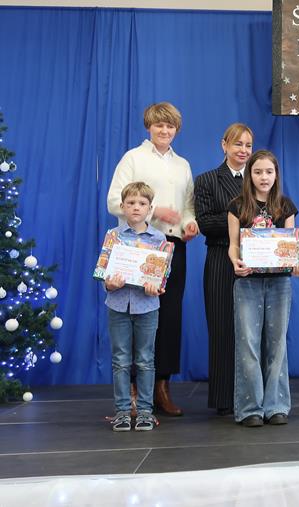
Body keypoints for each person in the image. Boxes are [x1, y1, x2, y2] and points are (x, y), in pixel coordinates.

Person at [107, 102, 198, 417]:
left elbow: (188, 205)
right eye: (159, 125)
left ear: (176, 130)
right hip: (138, 244)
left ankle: (161, 387)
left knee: (170, 317)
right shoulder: (133, 158)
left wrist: (189, 223)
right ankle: (134, 390)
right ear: (149, 126)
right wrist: (154, 210)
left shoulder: (182, 165)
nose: (165, 130)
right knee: (137, 315)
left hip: (171, 246)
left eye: (170, 126)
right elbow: (113, 201)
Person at [228, 150, 299, 427]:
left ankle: (276, 405)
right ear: (249, 175)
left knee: (277, 344)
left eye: (269, 172)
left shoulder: (285, 206)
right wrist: (235, 262)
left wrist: (298, 263)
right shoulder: (237, 206)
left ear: (276, 175)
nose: (264, 177)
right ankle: (249, 408)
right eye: (258, 172)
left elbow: (292, 245)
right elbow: (233, 245)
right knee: (248, 344)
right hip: (247, 281)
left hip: (279, 282)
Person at [195, 123, 253, 416]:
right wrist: (243, 221)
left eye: (248, 145)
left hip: (255, 259)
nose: (243, 150)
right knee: (221, 328)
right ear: (224, 145)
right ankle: (224, 397)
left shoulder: (258, 177)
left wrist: (238, 221)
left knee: (252, 332)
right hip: (220, 258)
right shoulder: (207, 180)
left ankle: (253, 394)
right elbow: (205, 223)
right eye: (237, 144)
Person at [103, 182, 165, 432]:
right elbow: (104, 271)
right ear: (122, 207)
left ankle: (145, 411)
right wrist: (109, 284)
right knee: (120, 360)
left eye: (142, 203)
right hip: (117, 305)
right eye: (131, 203)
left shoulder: (159, 239)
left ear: (150, 208)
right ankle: (122, 410)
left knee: (145, 360)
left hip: (147, 306)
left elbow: (163, 276)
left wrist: (155, 286)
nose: (136, 207)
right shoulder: (113, 236)